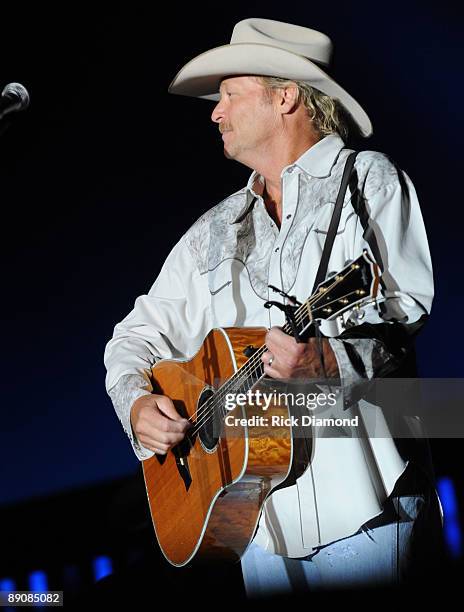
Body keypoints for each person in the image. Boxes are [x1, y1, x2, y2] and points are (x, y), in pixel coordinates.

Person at [104, 18, 444, 598]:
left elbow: (400, 309)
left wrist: (327, 363)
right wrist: (136, 404)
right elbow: (132, 338)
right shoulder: (211, 233)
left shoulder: (367, 182)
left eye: (231, 94)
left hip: (366, 507)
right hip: (258, 524)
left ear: (285, 96)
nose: (216, 112)